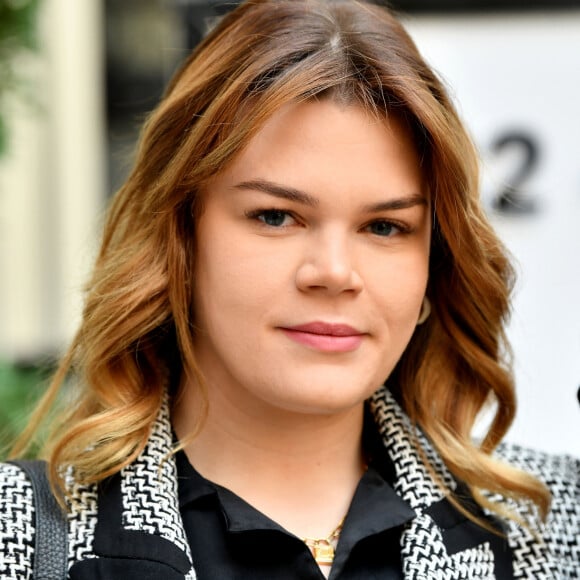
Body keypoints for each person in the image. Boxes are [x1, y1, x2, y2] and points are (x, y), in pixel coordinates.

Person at [1, 0, 578, 578]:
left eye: (385, 227)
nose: (333, 272)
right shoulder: (20, 538)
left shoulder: (552, 527)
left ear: (435, 264)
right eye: (276, 216)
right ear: (179, 236)